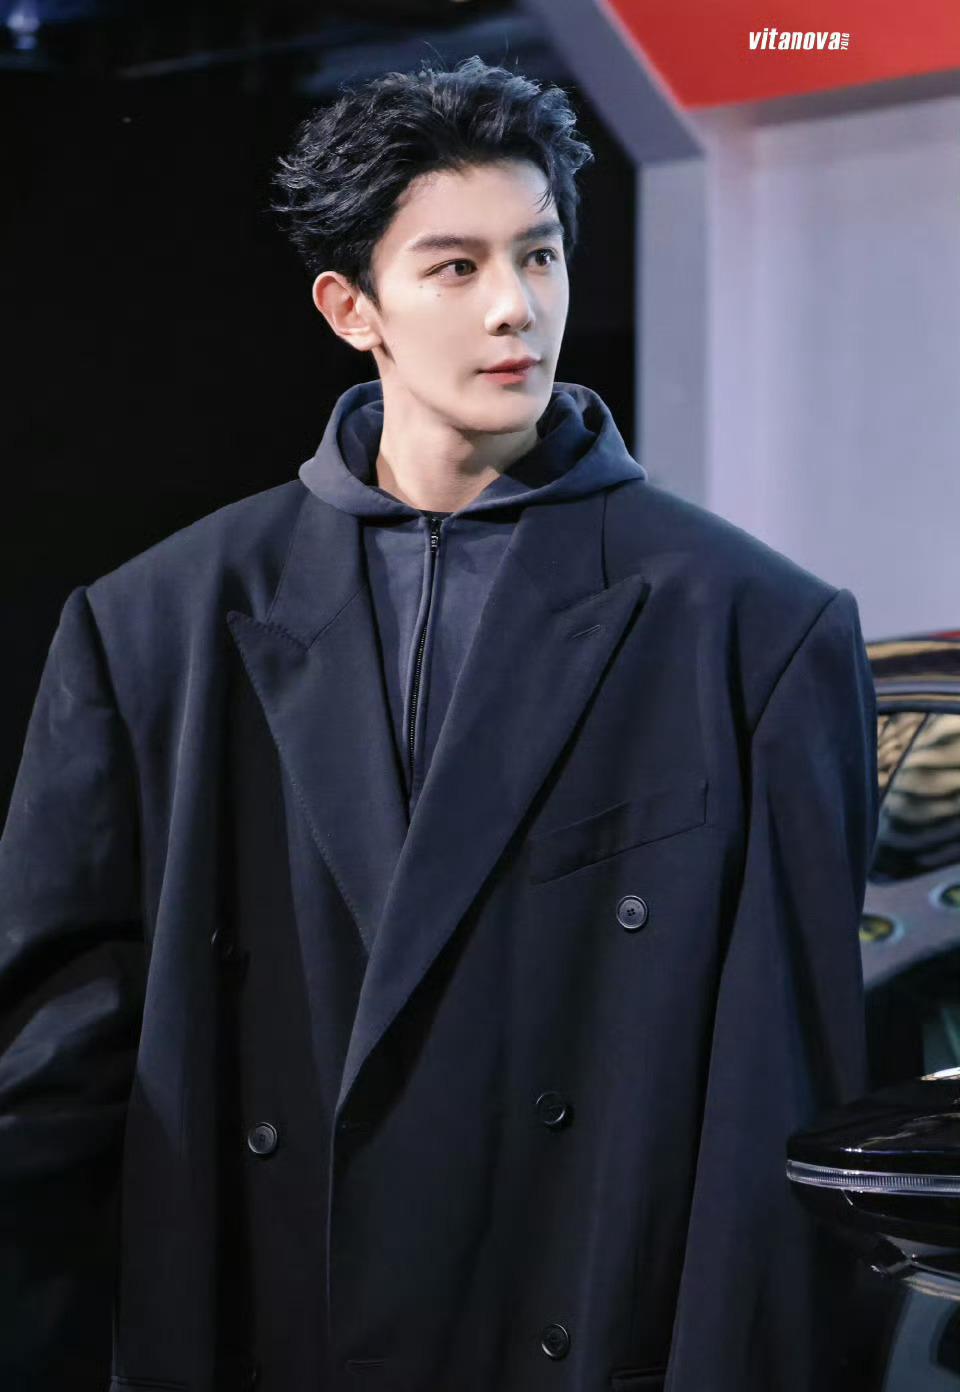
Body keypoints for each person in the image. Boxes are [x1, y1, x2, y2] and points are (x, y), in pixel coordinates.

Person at [0, 54, 878, 1392]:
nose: (516, 305)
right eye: (455, 267)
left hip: (583, 1333)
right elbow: (54, 1070)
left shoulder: (752, 628)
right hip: (266, 1328)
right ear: (351, 307)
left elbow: (778, 1102)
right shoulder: (155, 628)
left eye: (539, 254)